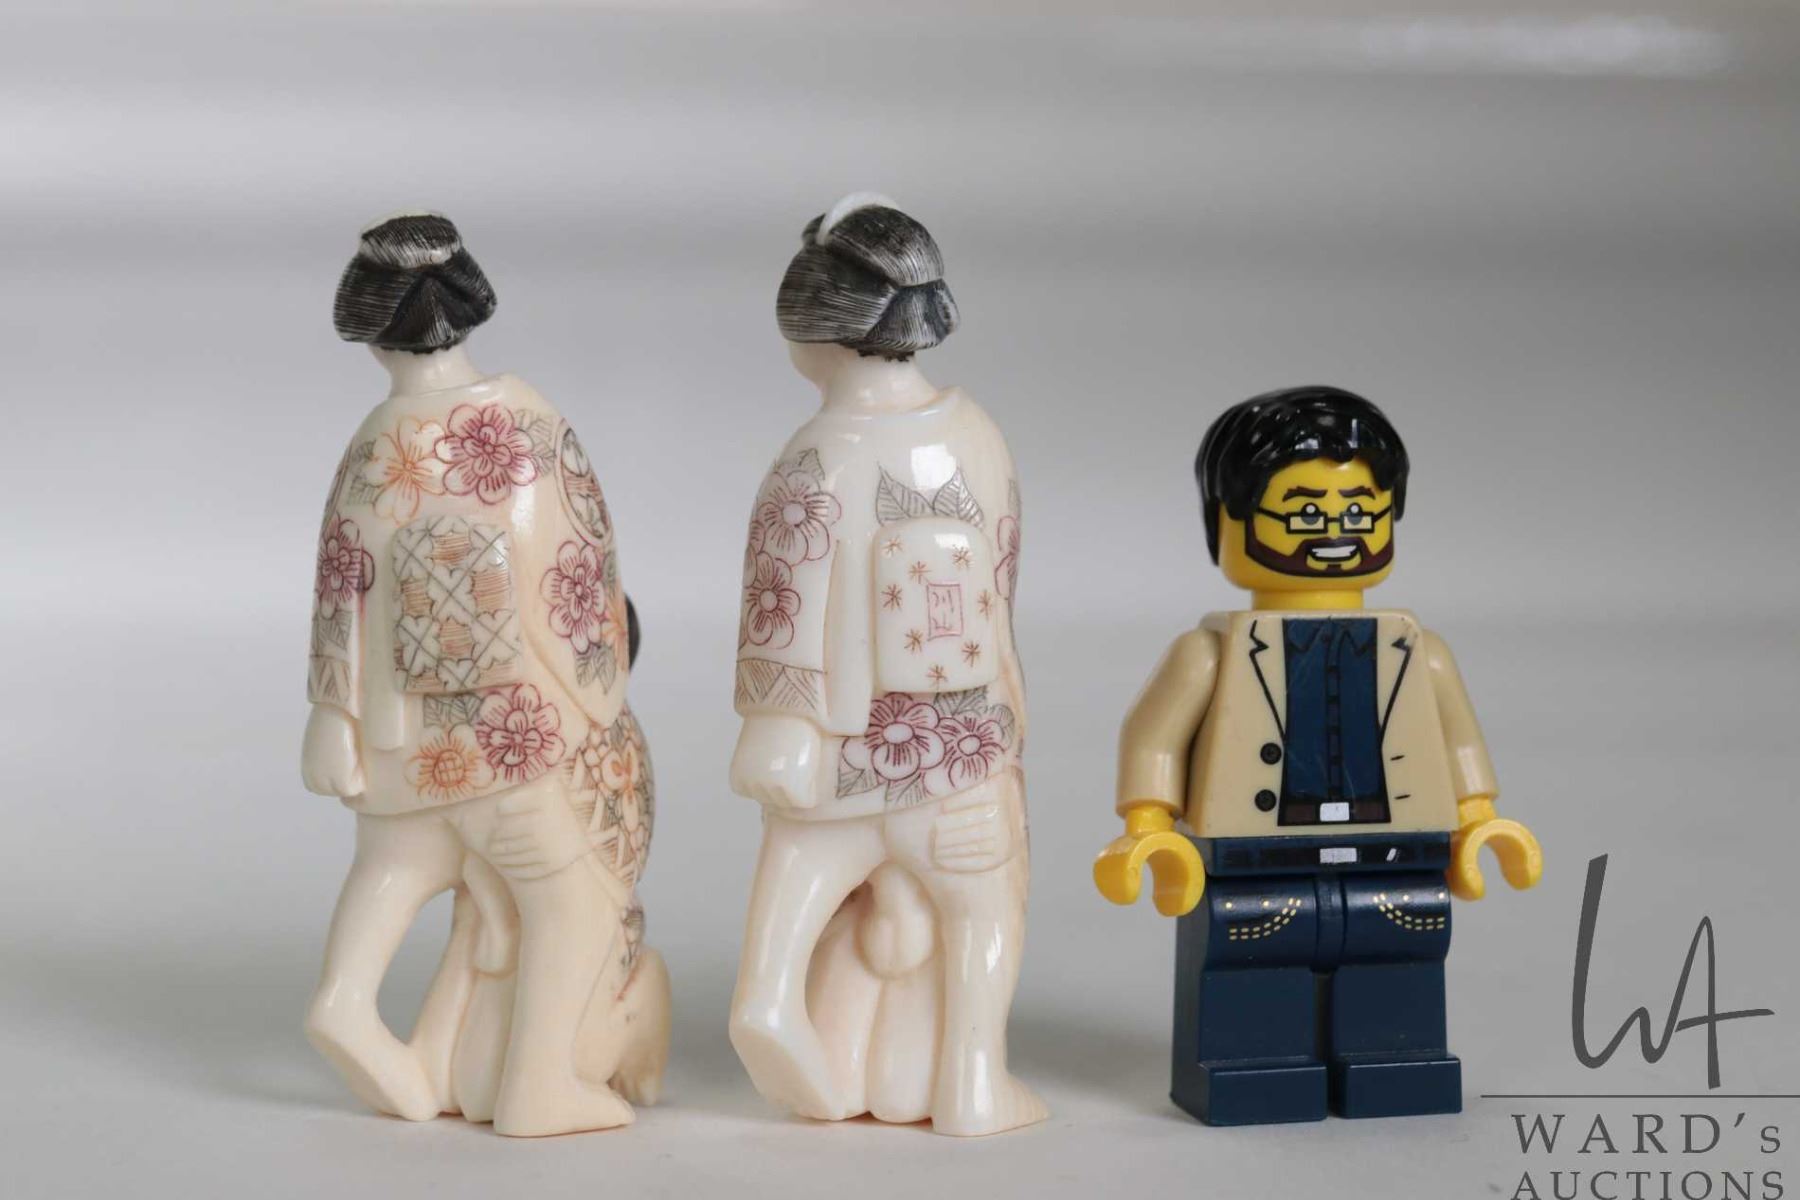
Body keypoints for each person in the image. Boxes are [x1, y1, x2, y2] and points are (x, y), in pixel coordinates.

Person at [301, 213, 667, 1137]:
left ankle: (348, 1000)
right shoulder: (527, 424)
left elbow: (342, 586)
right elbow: (578, 578)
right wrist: (600, 697)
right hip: (517, 731)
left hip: (399, 732)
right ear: (469, 308)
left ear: (368, 330)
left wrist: (333, 716)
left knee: (393, 865)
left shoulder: (375, 444)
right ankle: (541, 1084)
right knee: (570, 902)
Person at [1095, 385, 1542, 1125]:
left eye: (1361, 513)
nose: (1336, 533)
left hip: (1394, 852)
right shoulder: (1209, 654)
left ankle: (1392, 1060)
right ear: (1226, 522)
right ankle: (1251, 1068)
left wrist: (1478, 817)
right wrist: (1148, 826)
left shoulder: (1419, 651)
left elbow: (1459, 739)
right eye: (1303, 514)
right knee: (1251, 955)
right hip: (1254, 859)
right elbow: (1153, 737)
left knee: (1397, 950)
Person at [728, 195, 1043, 1136]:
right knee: (982, 912)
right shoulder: (976, 433)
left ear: (811, 329)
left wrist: (776, 726)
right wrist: (1004, 722)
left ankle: (768, 995)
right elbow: (1000, 587)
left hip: (838, 754)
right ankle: (974, 1082)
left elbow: (781, 598)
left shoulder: (813, 456)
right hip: (959, 749)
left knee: (796, 883)